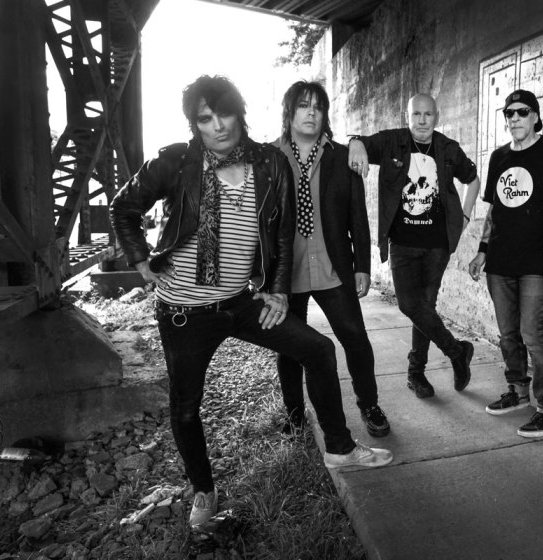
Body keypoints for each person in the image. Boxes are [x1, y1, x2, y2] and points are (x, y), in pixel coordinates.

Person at [110, 75, 393, 529]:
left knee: (319, 350)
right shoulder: (176, 161)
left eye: (224, 114)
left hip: (240, 302)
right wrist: (141, 259)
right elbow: (123, 207)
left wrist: (276, 288)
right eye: (205, 118)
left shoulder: (267, 162)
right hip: (183, 312)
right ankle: (204, 490)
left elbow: (280, 233)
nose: (218, 126)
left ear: (239, 113)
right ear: (195, 123)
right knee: (186, 406)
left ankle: (340, 448)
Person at [272, 81, 389, 438]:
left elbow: (358, 216)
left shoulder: (342, 157)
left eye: (318, 107)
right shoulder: (269, 158)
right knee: (289, 348)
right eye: (303, 105)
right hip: (286, 272)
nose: (311, 112)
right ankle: (294, 415)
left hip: (333, 267)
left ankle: (369, 404)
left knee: (355, 338)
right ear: (289, 112)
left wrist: (363, 266)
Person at [347, 94, 481, 399]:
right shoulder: (391, 142)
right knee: (410, 305)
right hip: (403, 244)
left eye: (427, 114)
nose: (422, 120)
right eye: (416, 114)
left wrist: (464, 217)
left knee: (425, 309)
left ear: (436, 116)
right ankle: (457, 351)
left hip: (437, 246)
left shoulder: (448, 149)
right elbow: (360, 144)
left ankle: (416, 373)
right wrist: (355, 141)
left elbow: (472, 181)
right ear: (407, 117)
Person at [468, 90, 543, 438]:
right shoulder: (499, 157)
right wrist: (482, 249)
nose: (514, 118)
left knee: (533, 334)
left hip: (536, 262)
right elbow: (494, 208)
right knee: (508, 333)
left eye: (522, 112)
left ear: (535, 116)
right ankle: (518, 391)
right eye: (509, 113)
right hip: (500, 260)